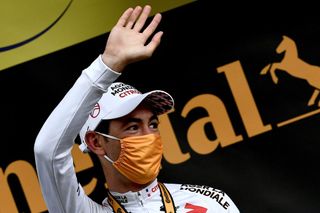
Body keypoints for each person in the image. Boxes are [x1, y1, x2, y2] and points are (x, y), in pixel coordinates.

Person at [34, 5, 240, 213]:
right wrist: (107, 65)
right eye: (133, 127)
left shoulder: (211, 202)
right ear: (96, 142)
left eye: (152, 124)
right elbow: (48, 152)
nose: (149, 136)